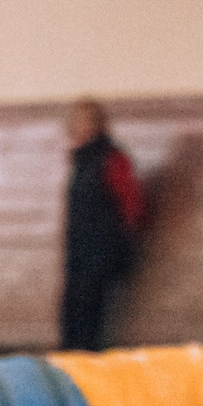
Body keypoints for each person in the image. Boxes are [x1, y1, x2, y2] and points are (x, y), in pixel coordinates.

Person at [58, 97, 146, 351]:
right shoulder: (80, 160)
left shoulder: (112, 159)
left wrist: (117, 246)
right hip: (79, 253)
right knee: (72, 315)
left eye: (82, 122)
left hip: (101, 254)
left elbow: (131, 206)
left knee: (89, 320)